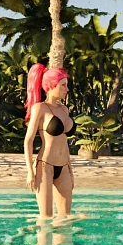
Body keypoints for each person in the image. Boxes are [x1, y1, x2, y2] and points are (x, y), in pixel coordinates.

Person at [23, 63, 75, 217]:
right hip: (45, 166)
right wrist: (30, 172)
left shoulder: (64, 110)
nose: (67, 89)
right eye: (63, 85)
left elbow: (64, 142)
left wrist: (70, 170)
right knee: (46, 218)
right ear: (52, 85)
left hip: (64, 167)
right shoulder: (39, 108)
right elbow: (28, 141)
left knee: (64, 219)